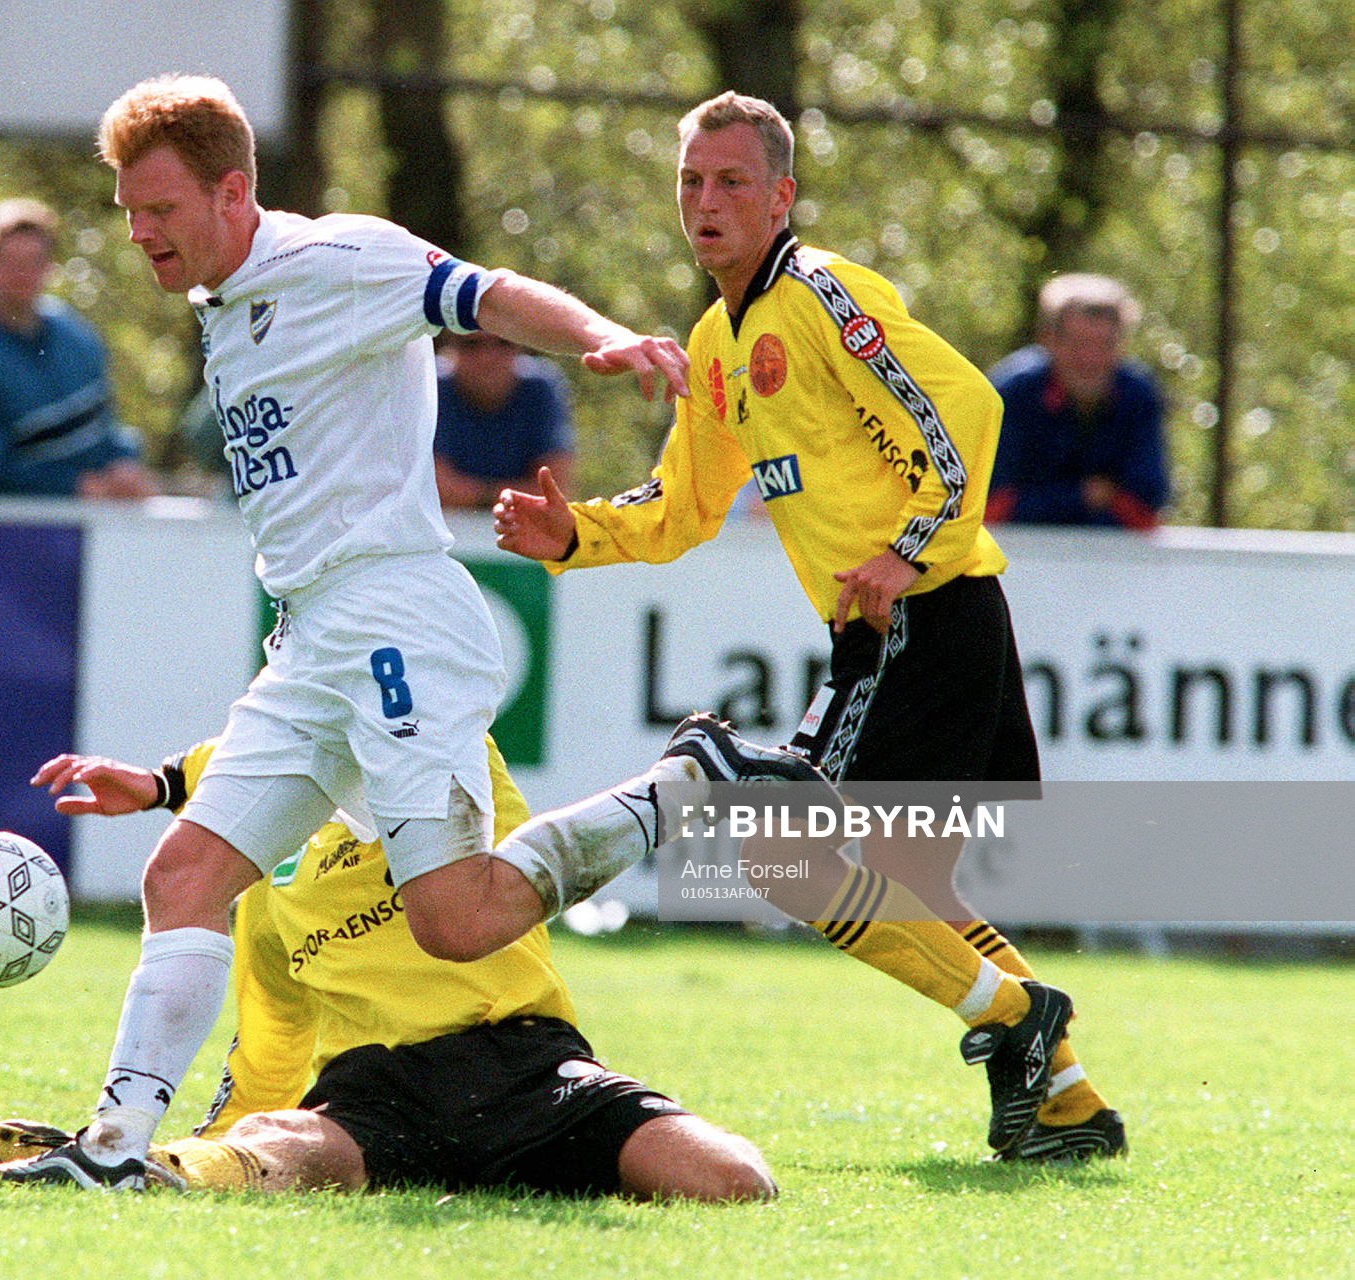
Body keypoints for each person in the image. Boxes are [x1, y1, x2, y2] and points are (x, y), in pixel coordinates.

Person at [0, 73, 803, 1191]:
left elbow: (485, 292)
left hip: (394, 619)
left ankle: (682, 785)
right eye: (129, 212)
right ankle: (116, 1149)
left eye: (160, 209)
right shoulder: (223, 305)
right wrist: (167, 778)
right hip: (311, 637)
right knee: (182, 876)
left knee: (454, 922)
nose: (140, 233)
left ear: (232, 192)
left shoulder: (336, 258)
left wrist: (600, 337)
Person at [494, 92, 1124, 1163]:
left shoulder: (823, 293)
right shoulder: (716, 340)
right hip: (902, 623)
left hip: (923, 610)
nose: (706, 201)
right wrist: (574, 534)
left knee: (792, 860)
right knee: (905, 889)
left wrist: (905, 550)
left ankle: (1018, 1017)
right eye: (691, 181)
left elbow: (967, 408)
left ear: (781, 195)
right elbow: (682, 507)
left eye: (732, 181)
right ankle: (1066, 1101)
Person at [0, 738, 773, 1201]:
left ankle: (683, 782)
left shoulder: (458, 771)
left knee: (735, 1181)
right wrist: (185, 1149)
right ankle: (133, 1168)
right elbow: (268, 1055)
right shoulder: (266, 885)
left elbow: (352, 727)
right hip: (377, 1100)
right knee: (278, 1141)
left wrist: (166, 783)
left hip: (525, 1066)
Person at [0, 197, 159, 499]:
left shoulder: (76, 335)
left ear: (49, 266)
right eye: (12, 263)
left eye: (34, 262)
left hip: (80, 519)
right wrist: (77, 486)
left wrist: (124, 465)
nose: (24, 274)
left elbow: (102, 430)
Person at [986, 273, 1169, 529]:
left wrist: (1043, 500)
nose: (1090, 359)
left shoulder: (1138, 395)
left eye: (1104, 345)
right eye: (1078, 344)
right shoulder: (1012, 394)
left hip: (1112, 553)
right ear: (1047, 340)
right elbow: (990, 508)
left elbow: (1147, 511)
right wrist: (1086, 496)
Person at [433, 330, 574, 509]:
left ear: (520, 345)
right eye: (471, 344)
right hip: (448, 521)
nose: (487, 357)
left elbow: (553, 492)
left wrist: (474, 494)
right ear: (449, 347)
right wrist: (510, 494)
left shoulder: (540, 388)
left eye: (503, 342)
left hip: (519, 522)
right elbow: (433, 489)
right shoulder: (430, 385)